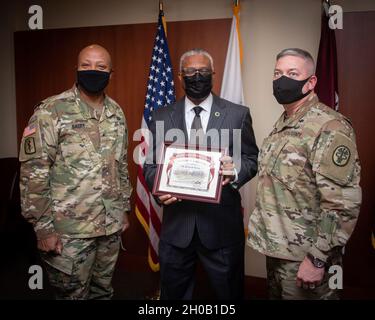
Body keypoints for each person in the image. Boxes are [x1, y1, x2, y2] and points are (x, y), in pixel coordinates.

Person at [143, 48, 258, 299]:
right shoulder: (162, 115)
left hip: (222, 228)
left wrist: (234, 172)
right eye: (191, 71)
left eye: (203, 71)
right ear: (180, 76)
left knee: (229, 295)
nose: (197, 76)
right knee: (173, 296)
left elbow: (250, 158)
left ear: (213, 75)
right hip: (177, 228)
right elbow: (150, 165)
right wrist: (160, 190)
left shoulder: (237, 115)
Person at [19, 44, 132, 299]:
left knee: (103, 292)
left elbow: (121, 164)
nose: (93, 71)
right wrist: (44, 228)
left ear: (111, 73)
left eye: (101, 67)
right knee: (73, 295)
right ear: (76, 70)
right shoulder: (51, 110)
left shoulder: (116, 112)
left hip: (109, 225)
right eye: (86, 66)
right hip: (68, 230)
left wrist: (123, 208)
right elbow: (33, 173)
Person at [247, 48, 362, 300]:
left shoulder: (329, 125)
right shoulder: (284, 124)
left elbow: (342, 203)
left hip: (307, 259)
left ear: (310, 82)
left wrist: (318, 259)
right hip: (279, 253)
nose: (281, 79)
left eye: (292, 73)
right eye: (277, 73)